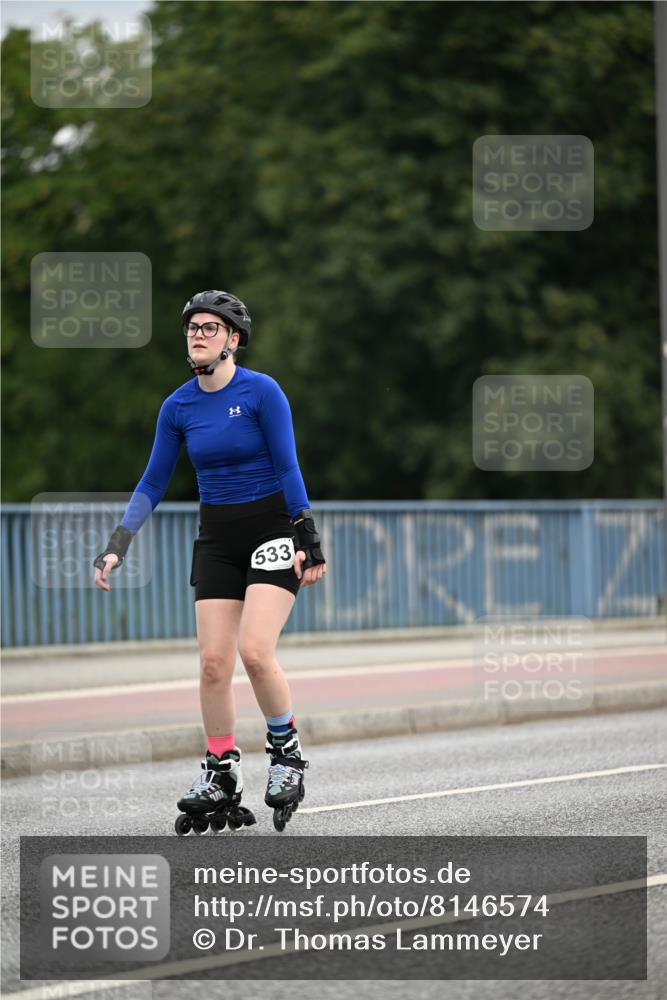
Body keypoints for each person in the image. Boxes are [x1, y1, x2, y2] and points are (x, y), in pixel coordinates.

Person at [93, 290, 326, 832]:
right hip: (217, 537)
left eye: (209, 327)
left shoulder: (262, 392)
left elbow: (288, 466)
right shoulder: (178, 407)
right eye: (192, 327)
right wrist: (118, 542)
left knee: (255, 651)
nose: (197, 335)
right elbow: (153, 481)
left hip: (271, 529)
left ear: (233, 339)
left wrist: (305, 532)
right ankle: (221, 770)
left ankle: (286, 752)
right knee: (213, 664)